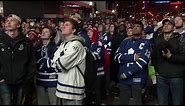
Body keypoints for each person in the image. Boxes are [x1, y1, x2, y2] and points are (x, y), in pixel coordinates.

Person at [44, 18, 86, 105]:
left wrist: (56, 63)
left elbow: (61, 64)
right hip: (63, 87)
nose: (63, 26)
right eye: (63, 24)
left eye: (67, 25)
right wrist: (56, 63)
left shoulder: (76, 44)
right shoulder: (63, 44)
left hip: (73, 88)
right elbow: (53, 62)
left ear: (74, 30)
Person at [0, 14, 36, 105]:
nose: (8, 22)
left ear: (19, 25)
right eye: (7, 21)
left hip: (21, 81)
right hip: (4, 81)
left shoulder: (26, 42)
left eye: (11, 20)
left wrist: (27, 79)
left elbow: (32, 62)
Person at [115, 21, 151, 105]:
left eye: (138, 26)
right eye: (134, 26)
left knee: (137, 102)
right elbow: (117, 57)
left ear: (142, 30)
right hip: (123, 79)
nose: (135, 28)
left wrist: (127, 73)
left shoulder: (146, 43)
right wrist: (133, 57)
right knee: (123, 101)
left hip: (137, 78)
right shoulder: (125, 42)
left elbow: (143, 61)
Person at [151, 19, 185, 105]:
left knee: (177, 102)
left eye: (169, 24)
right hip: (161, 77)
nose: (166, 26)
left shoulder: (180, 39)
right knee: (162, 102)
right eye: (164, 24)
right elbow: (153, 57)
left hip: (176, 77)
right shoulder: (158, 39)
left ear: (173, 27)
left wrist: (171, 57)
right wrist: (157, 71)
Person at [35, 26, 59, 105]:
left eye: (46, 32)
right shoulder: (37, 46)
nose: (43, 33)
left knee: (54, 102)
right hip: (39, 80)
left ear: (51, 36)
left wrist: (42, 62)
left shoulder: (55, 47)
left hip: (52, 81)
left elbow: (54, 63)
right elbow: (34, 60)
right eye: (43, 31)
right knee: (42, 102)